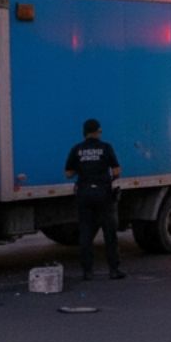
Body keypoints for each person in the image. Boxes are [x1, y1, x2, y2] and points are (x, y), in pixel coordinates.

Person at [64, 118, 124, 280]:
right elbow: (117, 170)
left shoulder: (77, 149)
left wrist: (82, 170)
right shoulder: (106, 148)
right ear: (98, 131)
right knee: (109, 233)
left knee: (85, 234)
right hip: (104, 194)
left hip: (84, 195)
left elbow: (68, 173)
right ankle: (113, 270)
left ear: (84, 133)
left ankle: (87, 272)